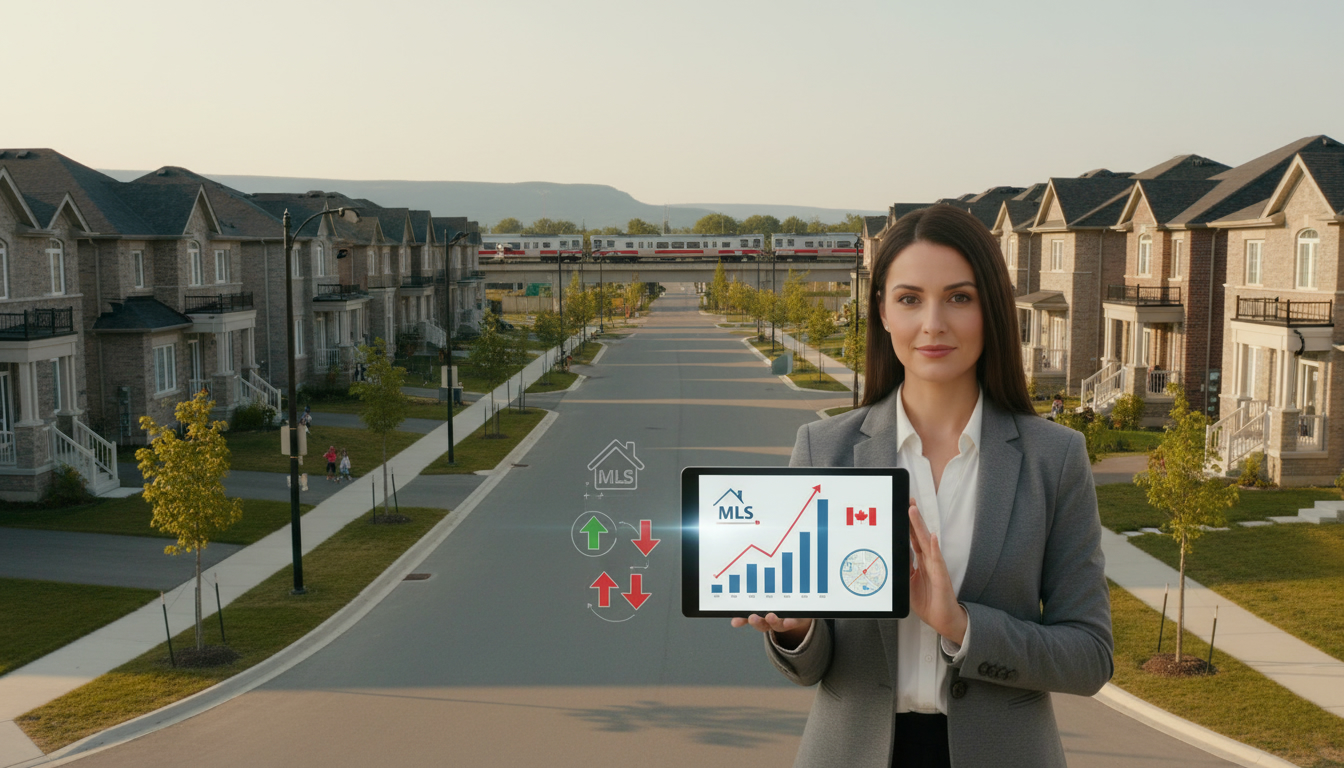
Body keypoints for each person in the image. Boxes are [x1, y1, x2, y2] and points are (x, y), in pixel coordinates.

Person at [732, 205, 1112, 768]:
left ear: (991, 311)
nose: (933, 323)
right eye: (910, 298)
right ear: (882, 311)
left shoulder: (1053, 459)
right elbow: (811, 666)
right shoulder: (823, 451)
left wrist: (961, 625)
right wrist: (798, 630)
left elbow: (1088, 656)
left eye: (959, 297)